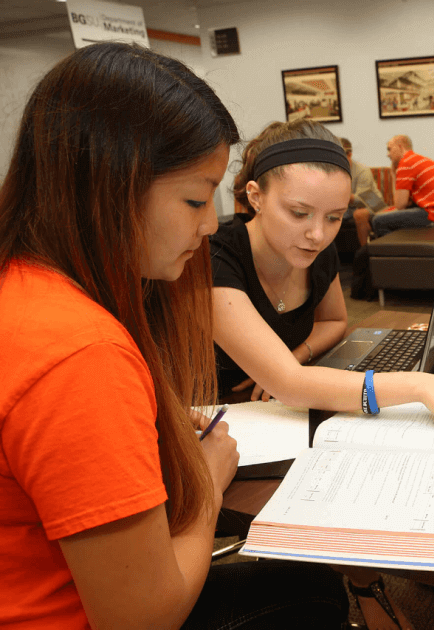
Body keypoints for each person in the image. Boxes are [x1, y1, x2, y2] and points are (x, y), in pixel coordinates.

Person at [0, 42, 349, 630]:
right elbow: (142, 618)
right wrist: (209, 486)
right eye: (193, 200)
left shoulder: (26, 290)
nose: (209, 224)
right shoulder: (81, 352)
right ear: (109, 187)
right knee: (313, 588)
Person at [210, 119, 434, 630]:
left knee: (391, 453)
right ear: (255, 196)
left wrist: (290, 355)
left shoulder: (314, 251)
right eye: (299, 213)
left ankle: (390, 580)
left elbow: (334, 322)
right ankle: (367, 584)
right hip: (221, 429)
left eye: (334, 217)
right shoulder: (217, 255)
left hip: (285, 403)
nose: (318, 234)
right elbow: (287, 384)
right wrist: (415, 383)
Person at [353, 134, 434, 240]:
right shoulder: (417, 159)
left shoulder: (406, 163)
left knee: (378, 221)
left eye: (389, 149)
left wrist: (393, 175)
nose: (388, 154)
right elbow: (406, 202)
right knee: (384, 215)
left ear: (400, 147)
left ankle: (391, 249)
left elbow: (400, 205)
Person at [339, 137, 388, 247]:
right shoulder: (332, 171)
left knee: (359, 214)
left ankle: (365, 251)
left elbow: (361, 200)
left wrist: (339, 196)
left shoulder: (362, 171)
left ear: (349, 154)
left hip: (373, 204)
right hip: (347, 208)